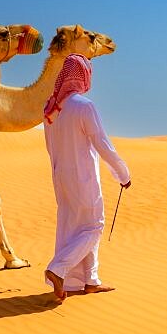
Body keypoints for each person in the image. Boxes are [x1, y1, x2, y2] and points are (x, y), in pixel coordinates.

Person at [42, 54, 131, 303]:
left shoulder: (50, 109)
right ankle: (58, 269)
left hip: (61, 177)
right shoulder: (84, 106)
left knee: (74, 227)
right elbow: (102, 144)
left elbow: (50, 147)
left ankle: (89, 281)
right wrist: (123, 173)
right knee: (94, 227)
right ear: (82, 75)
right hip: (83, 179)